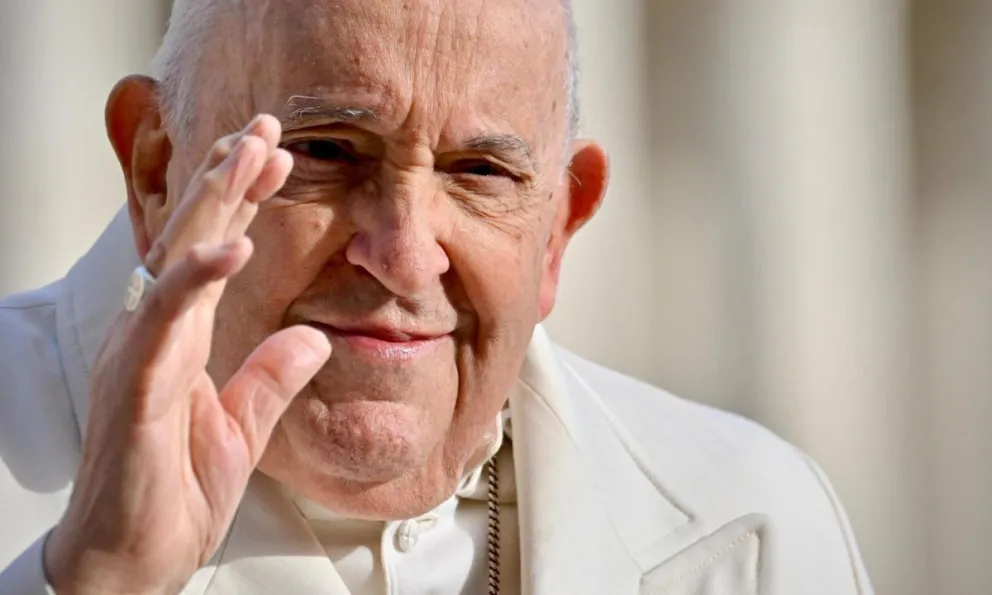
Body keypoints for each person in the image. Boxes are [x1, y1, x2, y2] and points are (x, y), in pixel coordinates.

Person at [0, 0, 873, 593]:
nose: (405, 256)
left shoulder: (753, 519)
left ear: (557, 232)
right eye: (329, 151)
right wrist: (98, 578)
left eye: (481, 172)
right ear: (157, 168)